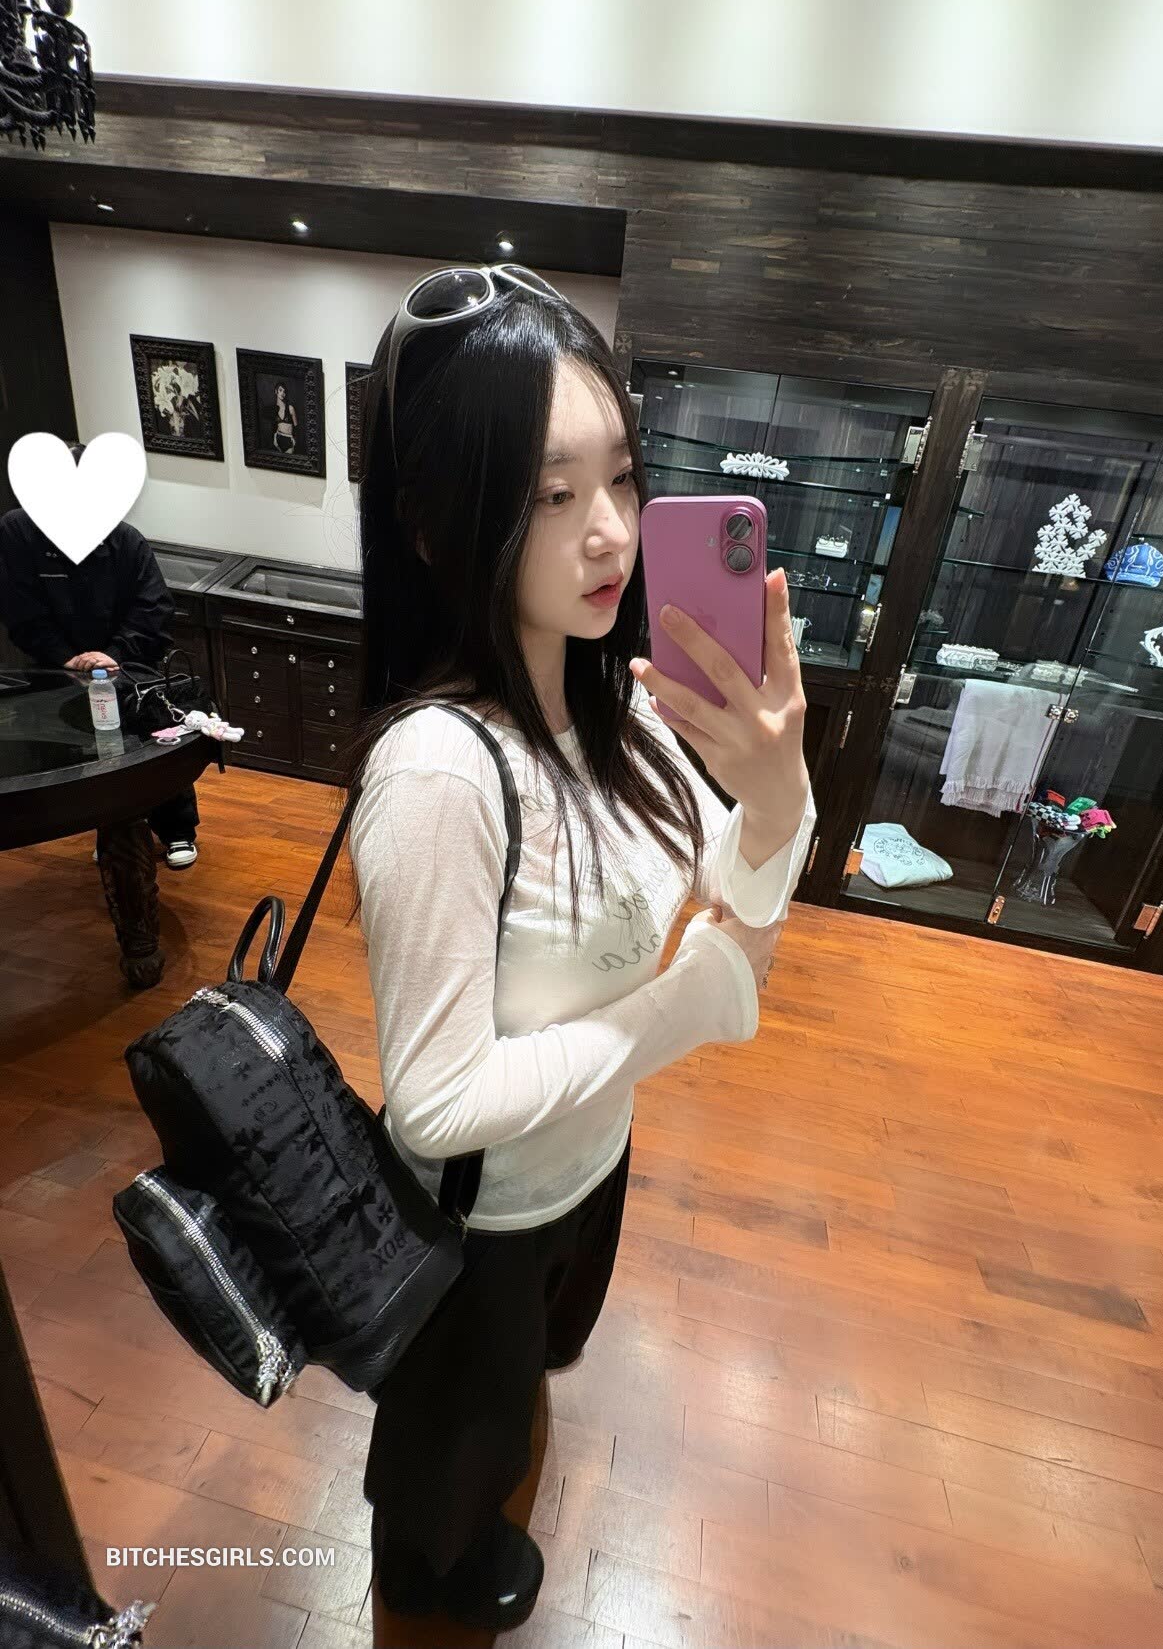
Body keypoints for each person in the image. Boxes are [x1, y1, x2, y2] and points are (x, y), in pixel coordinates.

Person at [342, 265, 817, 1633]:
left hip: (591, 1165)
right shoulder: (439, 774)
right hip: (476, 1217)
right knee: (442, 1477)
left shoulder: (627, 709)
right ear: (436, 525)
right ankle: (423, 1586)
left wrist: (776, 795)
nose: (609, 532)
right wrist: (690, 1003)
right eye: (552, 494)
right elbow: (435, 1100)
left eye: (620, 477)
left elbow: (739, 889)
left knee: (523, 1404)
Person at [0, 444, 200, 868]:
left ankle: (177, 830)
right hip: (60, 664)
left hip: (128, 660)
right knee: (87, 750)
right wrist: (68, 657)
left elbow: (154, 607)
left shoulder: (125, 540)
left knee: (153, 736)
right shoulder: (18, 532)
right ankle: (112, 829)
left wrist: (112, 654)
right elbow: (19, 608)